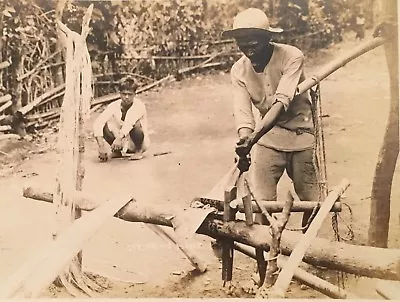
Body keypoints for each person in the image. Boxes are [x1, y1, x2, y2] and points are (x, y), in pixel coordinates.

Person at [222, 8, 318, 230]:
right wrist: (244, 141)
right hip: (268, 138)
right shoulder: (239, 70)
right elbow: (243, 113)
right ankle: (264, 255)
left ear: (268, 38)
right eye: (241, 42)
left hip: (300, 133)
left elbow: (281, 104)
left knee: (311, 201)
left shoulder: (292, 56)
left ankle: (306, 248)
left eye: (253, 41)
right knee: (261, 203)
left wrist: (252, 139)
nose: (248, 47)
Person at [93, 76, 150, 162]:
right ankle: (117, 151)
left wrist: (119, 138)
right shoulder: (114, 105)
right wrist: (101, 146)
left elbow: (129, 123)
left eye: (130, 94)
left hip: (138, 142)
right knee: (104, 125)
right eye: (124, 94)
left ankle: (138, 151)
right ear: (119, 93)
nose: (126, 97)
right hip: (121, 142)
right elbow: (98, 122)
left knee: (136, 125)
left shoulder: (139, 106)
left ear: (135, 94)